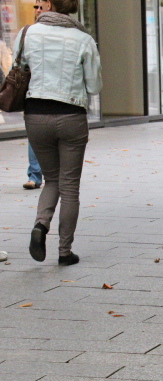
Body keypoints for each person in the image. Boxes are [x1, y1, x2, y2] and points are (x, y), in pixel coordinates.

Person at [19, 0, 102, 266]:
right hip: (71, 117)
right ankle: (65, 252)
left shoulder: (27, 33)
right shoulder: (83, 39)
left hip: (36, 115)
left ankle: (40, 226)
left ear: (51, 4)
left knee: (50, 179)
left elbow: (19, 69)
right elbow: (95, 85)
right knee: (69, 186)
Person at [23, 0, 45, 190]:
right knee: (34, 135)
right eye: (35, 7)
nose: (37, 10)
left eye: (40, 6)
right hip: (34, 91)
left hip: (57, 94)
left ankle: (53, 174)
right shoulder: (27, 33)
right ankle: (34, 175)